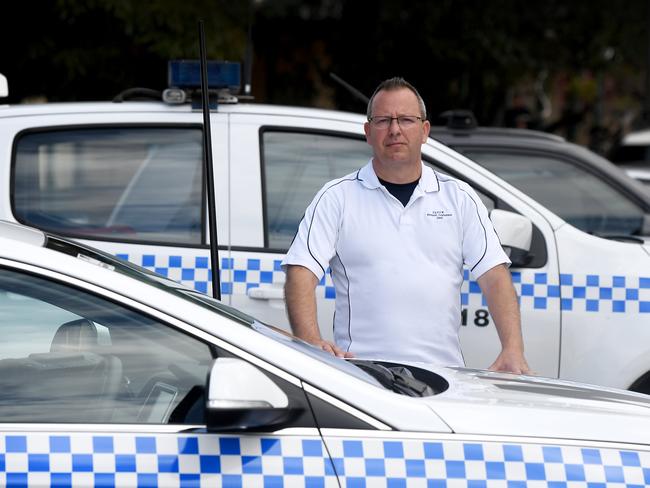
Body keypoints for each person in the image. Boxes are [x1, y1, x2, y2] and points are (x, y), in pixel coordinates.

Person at [282, 77, 530, 374]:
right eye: (383, 120)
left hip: (444, 380)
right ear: (368, 132)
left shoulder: (459, 198)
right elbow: (301, 272)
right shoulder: (336, 198)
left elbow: (494, 276)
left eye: (406, 120)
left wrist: (513, 349)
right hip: (361, 377)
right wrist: (312, 343)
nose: (395, 129)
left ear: (425, 131)